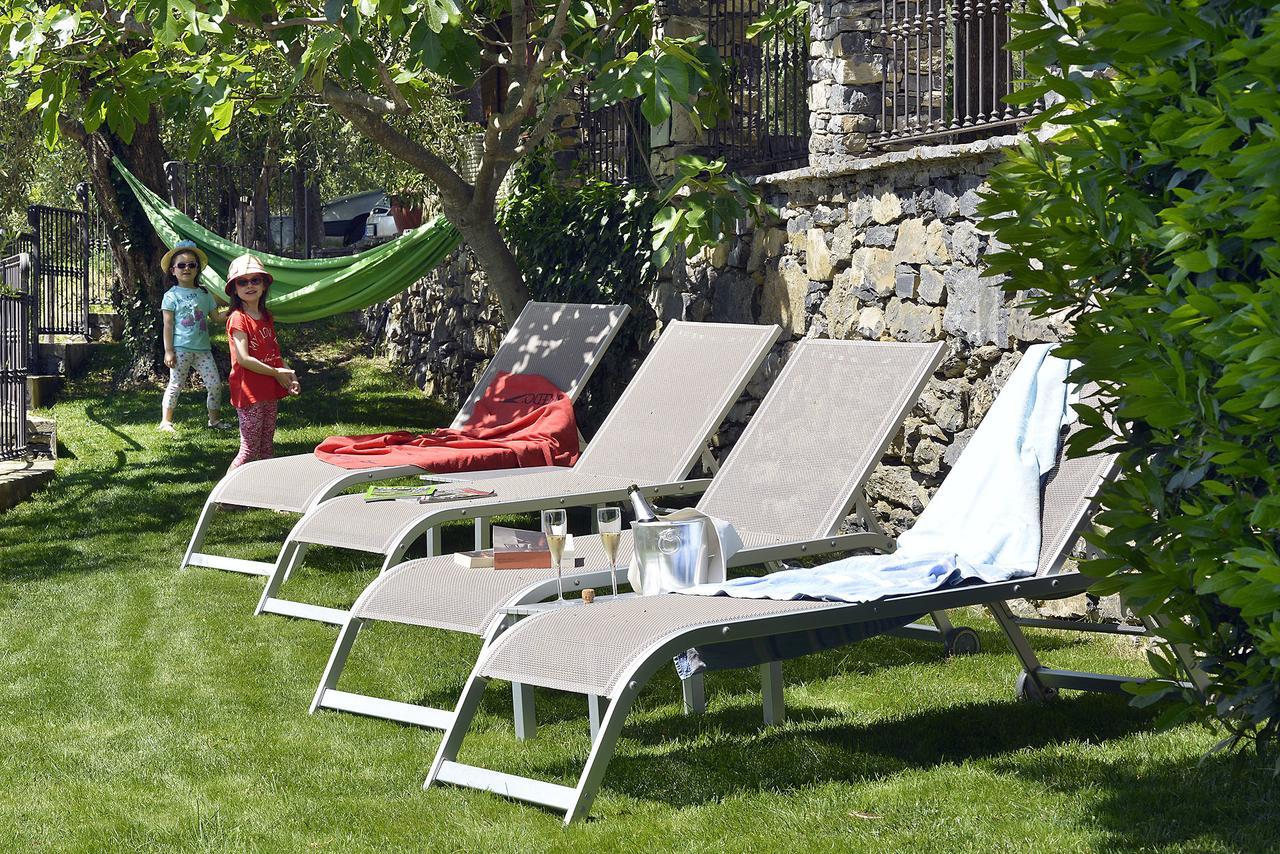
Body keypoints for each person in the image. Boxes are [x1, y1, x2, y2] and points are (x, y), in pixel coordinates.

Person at [223, 254, 300, 471]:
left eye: (255, 280)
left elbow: (274, 352)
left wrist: (288, 374)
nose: (249, 285)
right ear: (234, 289)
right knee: (249, 449)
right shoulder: (238, 318)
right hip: (249, 392)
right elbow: (244, 359)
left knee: (266, 447)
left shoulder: (266, 315)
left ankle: (266, 493)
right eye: (242, 281)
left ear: (264, 284)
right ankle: (225, 498)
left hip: (268, 390)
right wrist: (276, 373)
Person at [158, 239, 231, 432]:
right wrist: (168, 351)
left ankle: (214, 420)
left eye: (192, 264)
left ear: (198, 269)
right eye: (181, 265)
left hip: (203, 350)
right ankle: (166, 421)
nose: (186, 268)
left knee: (215, 385)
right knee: (176, 384)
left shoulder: (205, 294)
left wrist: (236, 309)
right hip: (180, 349)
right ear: (173, 270)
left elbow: (216, 317)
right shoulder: (171, 296)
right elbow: (168, 324)